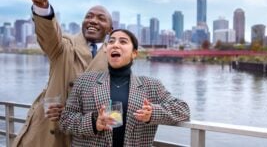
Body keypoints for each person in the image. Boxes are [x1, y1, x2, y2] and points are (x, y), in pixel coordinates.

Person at [59, 29, 190, 146]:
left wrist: (152, 113)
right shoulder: (85, 81)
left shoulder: (151, 85)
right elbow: (65, 120)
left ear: (134, 53)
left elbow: (183, 110)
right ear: (106, 49)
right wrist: (94, 122)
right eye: (111, 41)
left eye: (123, 42)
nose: (115, 45)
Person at [13, 0, 113, 146]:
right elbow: (49, 35)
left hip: (88, 138)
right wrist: (42, 6)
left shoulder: (114, 58)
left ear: (110, 29)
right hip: (50, 132)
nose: (93, 20)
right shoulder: (64, 46)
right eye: (89, 16)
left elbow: (116, 109)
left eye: (101, 18)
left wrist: (73, 113)